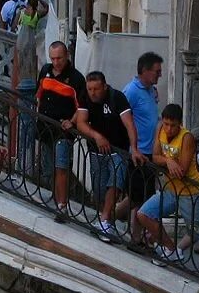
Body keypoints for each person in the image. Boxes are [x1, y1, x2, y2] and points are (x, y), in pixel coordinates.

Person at [134, 103, 199, 264]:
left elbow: (182, 170)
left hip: (191, 191)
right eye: (166, 124)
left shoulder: (186, 137)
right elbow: (154, 156)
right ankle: (170, 249)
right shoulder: (160, 129)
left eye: (173, 126)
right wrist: (168, 161)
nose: (168, 129)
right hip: (171, 188)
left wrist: (169, 162)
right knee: (143, 214)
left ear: (179, 124)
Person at [33, 41, 89, 222]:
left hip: (64, 131)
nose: (56, 62)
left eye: (59, 58)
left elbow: (82, 107)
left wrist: (71, 122)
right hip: (45, 127)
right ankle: (57, 199)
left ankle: (62, 206)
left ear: (66, 57)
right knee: (50, 168)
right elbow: (39, 95)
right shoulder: (45, 71)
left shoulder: (77, 79)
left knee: (61, 167)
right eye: (53, 58)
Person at [75, 71, 131, 241]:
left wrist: (133, 148)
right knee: (99, 188)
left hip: (118, 149)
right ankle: (105, 219)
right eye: (90, 89)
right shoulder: (85, 97)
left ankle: (106, 220)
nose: (93, 93)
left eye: (96, 89)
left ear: (104, 87)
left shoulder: (117, 98)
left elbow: (129, 125)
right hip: (96, 150)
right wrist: (96, 136)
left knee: (114, 183)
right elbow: (81, 122)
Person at [121, 53, 163, 227]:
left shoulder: (152, 91)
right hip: (138, 152)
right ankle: (108, 218)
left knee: (142, 198)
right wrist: (132, 148)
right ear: (145, 71)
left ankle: (135, 236)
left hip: (150, 151)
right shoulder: (131, 91)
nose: (160, 74)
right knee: (137, 198)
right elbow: (123, 117)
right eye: (157, 71)